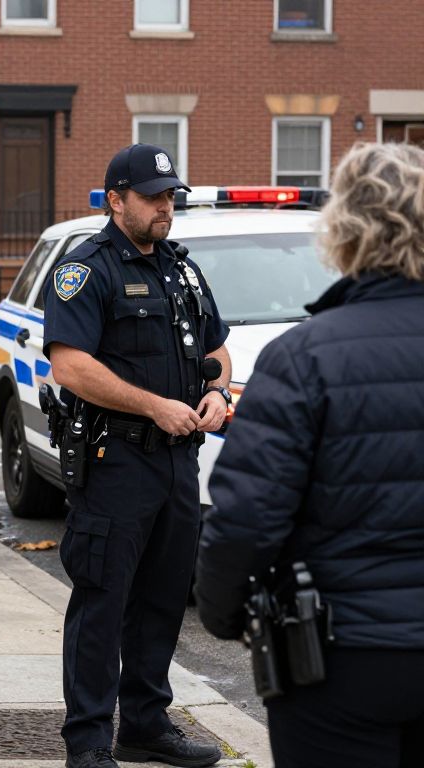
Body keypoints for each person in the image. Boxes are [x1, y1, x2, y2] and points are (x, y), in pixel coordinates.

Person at [196, 142, 424, 768]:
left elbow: (246, 517)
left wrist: (224, 614)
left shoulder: (303, 358)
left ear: (343, 230)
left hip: (340, 657)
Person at [43, 144, 231, 768]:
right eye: (151, 197)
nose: (164, 207)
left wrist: (217, 391)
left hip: (178, 461)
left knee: (163, 598)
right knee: (102, 602)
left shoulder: (181, 269)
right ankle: (89, 742)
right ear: (115, 200)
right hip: (115, 461)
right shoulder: (86, 269)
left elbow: (217, 348)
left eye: (169, 196)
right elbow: (69, 364)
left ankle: (146, 725)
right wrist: (153, 406)